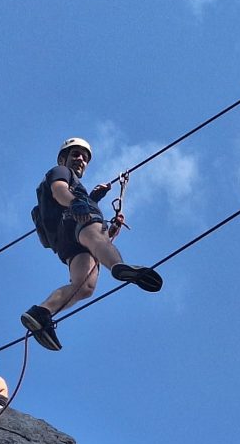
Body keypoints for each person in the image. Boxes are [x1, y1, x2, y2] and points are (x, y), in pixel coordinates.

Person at [21, 137, 163, 351]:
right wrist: (75, 203)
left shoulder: (75, 189)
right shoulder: (60, 172)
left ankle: (42, 311)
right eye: (75, 154)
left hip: (66, 242)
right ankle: (118, 266)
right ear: (63, 158)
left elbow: (62, 199)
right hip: (76, 220)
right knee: (96, 237)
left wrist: (93, 198)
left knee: (84, 286)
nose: (80, 159)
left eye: (85, 158)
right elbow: (59, 190)